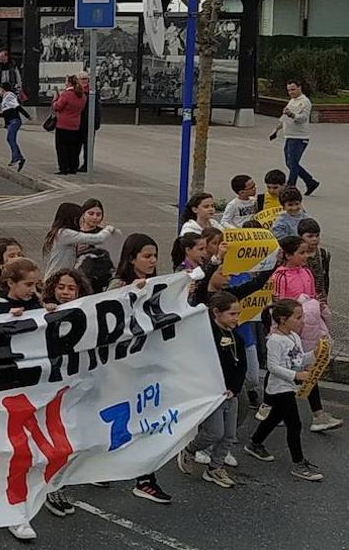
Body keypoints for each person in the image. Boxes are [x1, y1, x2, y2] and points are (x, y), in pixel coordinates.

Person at [109, 234, 172, 504]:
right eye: (146, 256)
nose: (152, 261)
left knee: (147, 420)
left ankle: (145, 479)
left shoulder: (156, 284)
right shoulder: (117, 284)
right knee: (120, 422)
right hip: (121, 365)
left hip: (147, 364)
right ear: (131, 257)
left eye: (155, 256)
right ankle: (106, 466)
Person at [243, 299, 323, 481]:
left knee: (274, 418)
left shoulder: (294, 337)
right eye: (298, 317)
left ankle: (255, 443)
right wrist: (296, 376)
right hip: (279, 389)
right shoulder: (275, 340)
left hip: (289, 387)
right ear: (282, 319)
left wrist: (314, 354)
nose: (302, 321)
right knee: (294, 424)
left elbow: (299, 358)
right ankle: (298, 463)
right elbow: (272, 366)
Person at [270, 235, 341, 431]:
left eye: (307, 252)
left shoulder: (307, 273)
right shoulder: (279, 276)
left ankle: (318, 415)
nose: (305, 256)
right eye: (301, 253)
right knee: (281, 371)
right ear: (287, 254)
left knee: (308, 370)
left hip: (307, 331)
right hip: (288, 332)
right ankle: (269, 407)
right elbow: (279, 306)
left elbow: (312, 299)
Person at [176, 292, 244, 490]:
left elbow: (241, 367)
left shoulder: (236, 337)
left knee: (229, 434)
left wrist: (235, 388)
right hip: (212, 394)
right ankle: (189, 450)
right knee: (214, 432)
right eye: (231, 314)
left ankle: (215, 468)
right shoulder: (205, 336)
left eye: (237, 314)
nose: (236, 318)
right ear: (216, 313)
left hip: (230, 394)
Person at [270, 79, 318, 195]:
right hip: (289, 136)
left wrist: (292, 114)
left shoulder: (305, 102)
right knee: (290, 163)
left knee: (293, 163)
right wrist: (276, 130)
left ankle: (291, 187)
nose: (291, 92)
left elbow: (303, 118)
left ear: (299, 88)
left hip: (299, 137)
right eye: (289, 90)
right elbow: (284, 117)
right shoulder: (292, 101)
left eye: (293, 89)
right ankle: (310, 182)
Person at [42, 202, 115, 276]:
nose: (81, 222)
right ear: (74, 219)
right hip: (55, 278)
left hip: (58, 276)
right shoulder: (65, 233)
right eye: (80, 219)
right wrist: (108, 229)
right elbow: (98, 239)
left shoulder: (60, 233)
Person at [51, 76, 86, 175]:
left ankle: (63, 168)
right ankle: (73, 167)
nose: (65, 84)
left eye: (66, 82)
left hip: (63, 124)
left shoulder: (66, 95)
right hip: (75, 124)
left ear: (70, 83)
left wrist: (54, 100)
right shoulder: (82, 96)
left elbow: (57, 107)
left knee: (62, 147)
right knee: (73, 147)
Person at [0, 81, 30, 170]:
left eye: (0, 89)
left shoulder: (9, 96)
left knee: (10, 138)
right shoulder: (6, 98)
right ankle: (20, 157)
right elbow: (7, 112)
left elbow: (18, 107)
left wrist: (28, 116)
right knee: (11, 139)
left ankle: (16, 158)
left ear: (2, 90)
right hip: (11, 121)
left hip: (14, 121)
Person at [77, 70, 101, 173]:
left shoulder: (93, 92)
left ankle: (87, 165)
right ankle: (74, 164)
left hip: (89, 123)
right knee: (76, 145)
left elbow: (97, 108)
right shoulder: (76, 91)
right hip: (77, 123)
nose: (85, 81)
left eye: (86, 79)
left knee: (88, 145)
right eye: (82, 79)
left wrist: (96, 123)